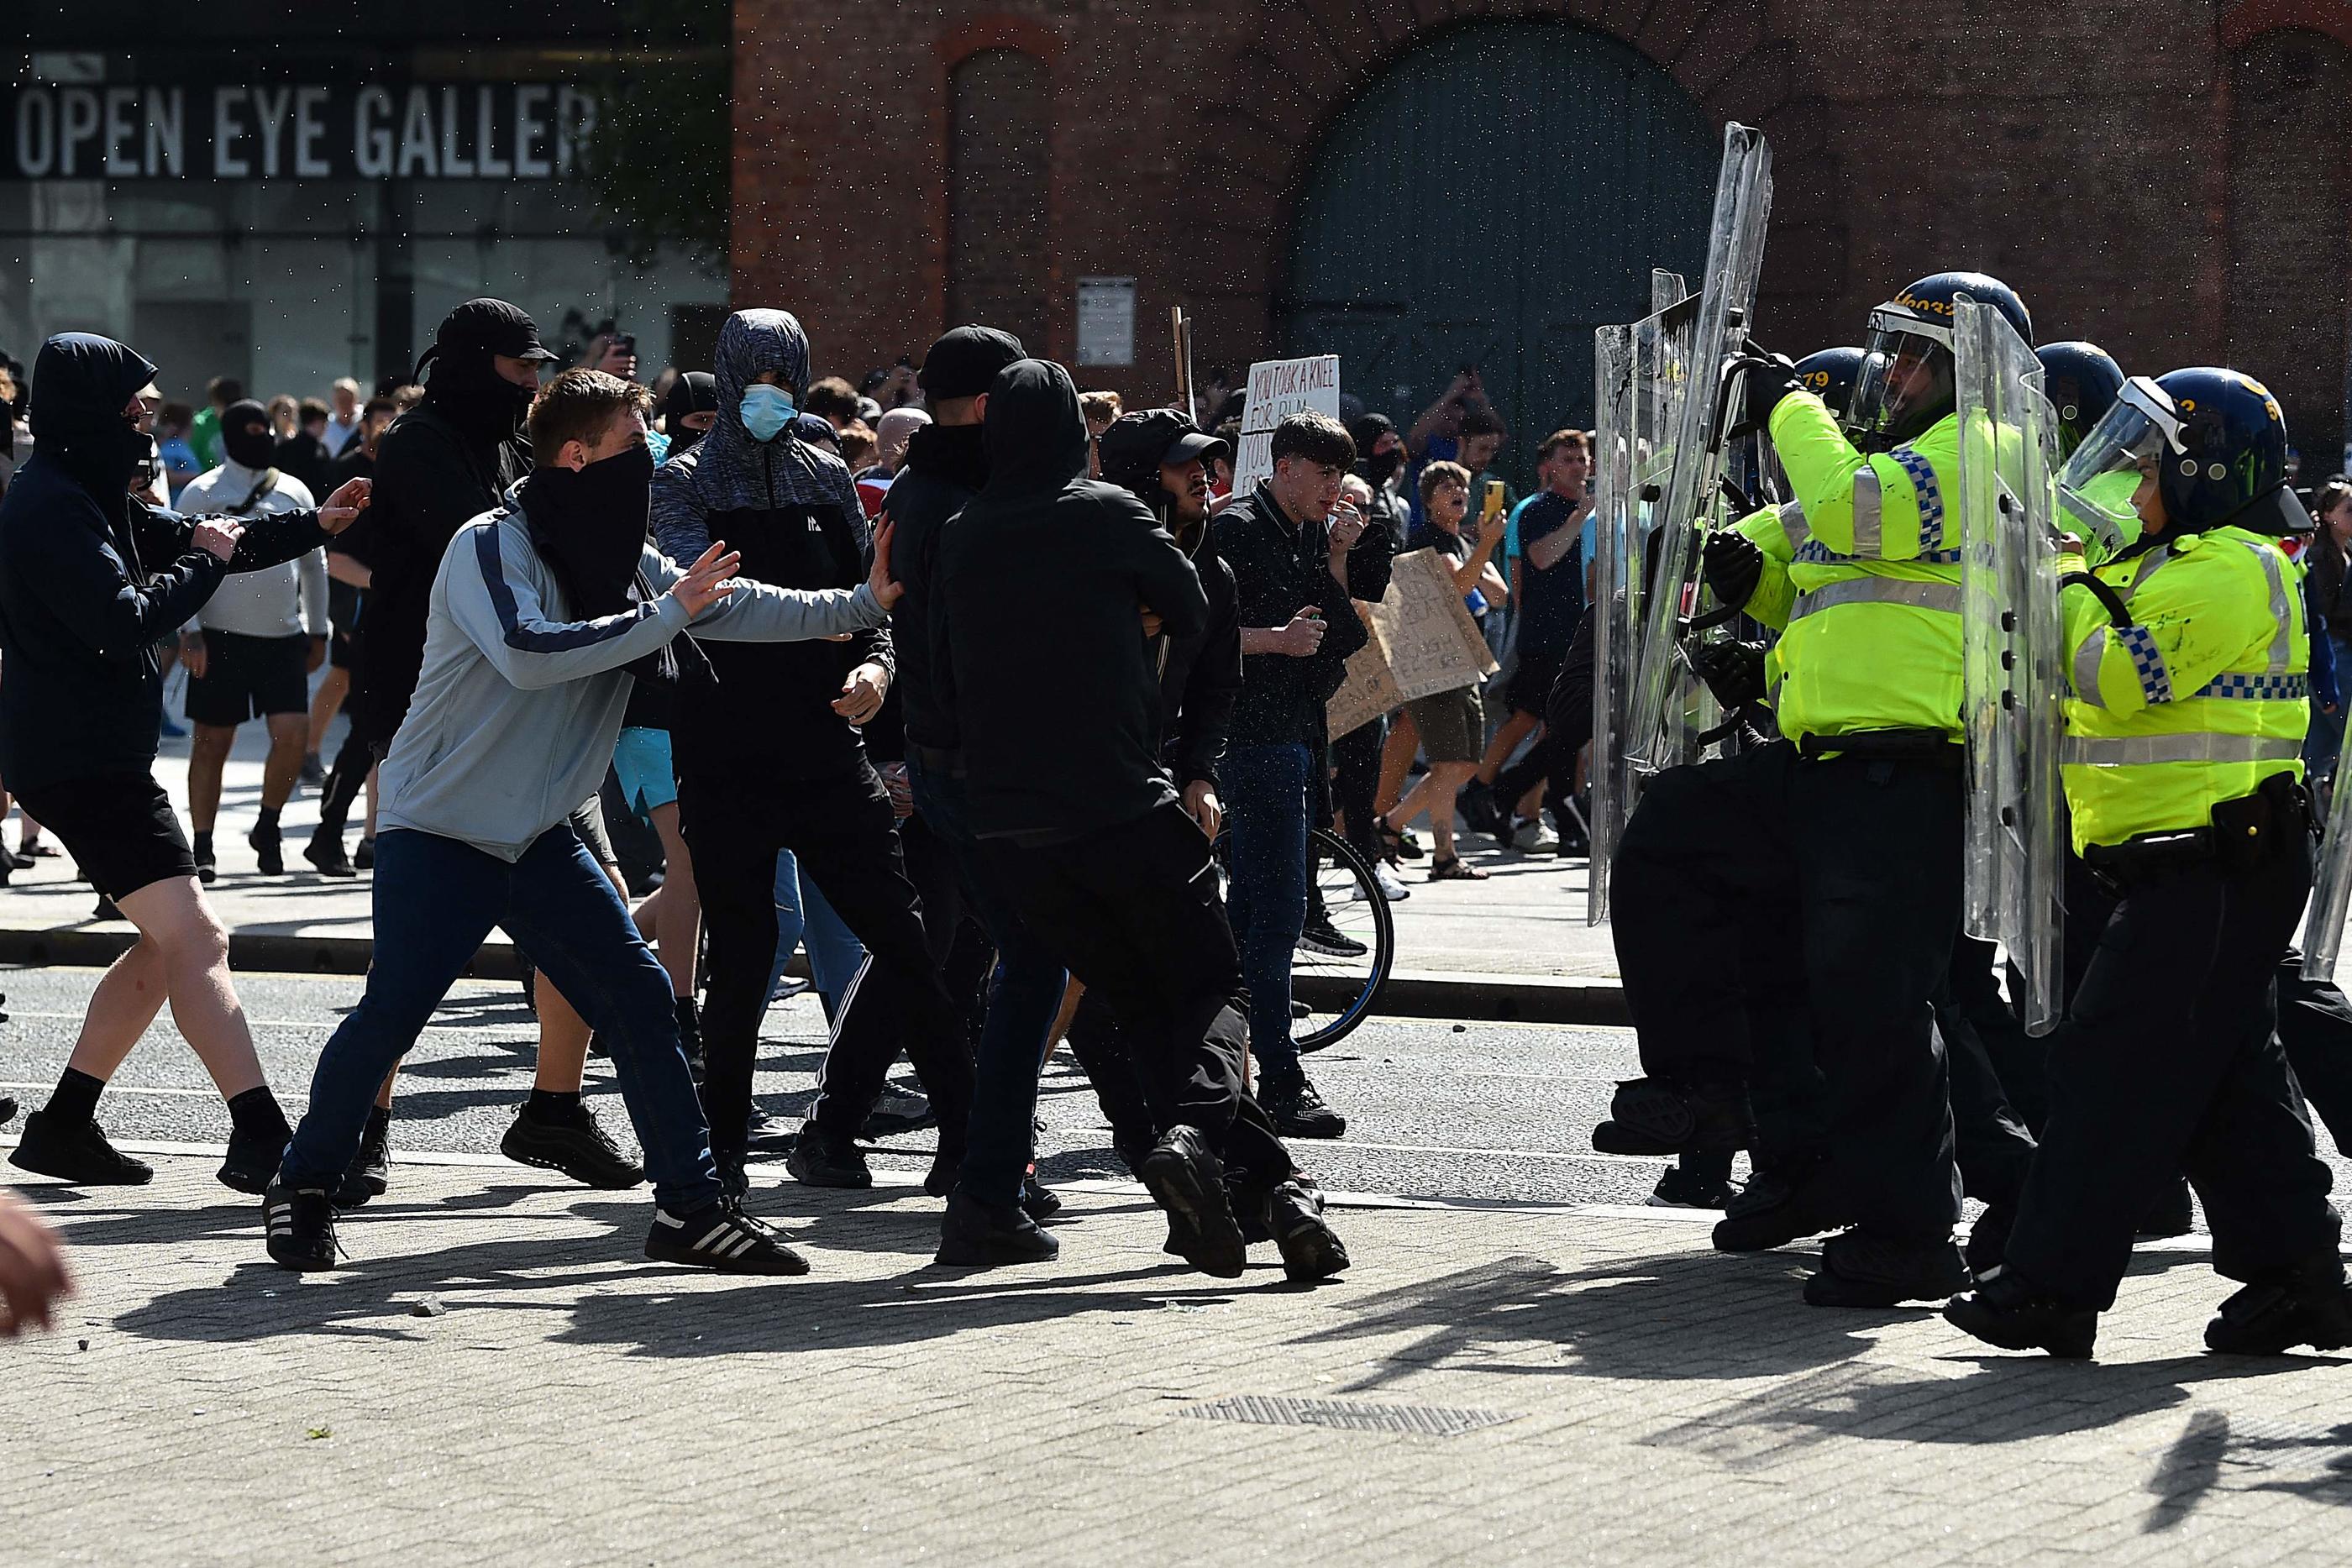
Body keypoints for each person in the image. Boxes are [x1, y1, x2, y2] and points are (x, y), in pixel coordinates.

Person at [263, 367, 896, 1276]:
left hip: (541, 833)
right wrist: (667, 616)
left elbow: (730, 604)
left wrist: (861, 604)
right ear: (575, 455)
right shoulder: (488, 543)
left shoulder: (620, 555)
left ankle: (690, 1208)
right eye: (637, 448)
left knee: (640, 1000)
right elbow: (529, 655)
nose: (654, 463)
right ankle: (305, 1183)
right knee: (394, 1013)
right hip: (441, 829)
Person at [1946, 368, 2352, 1357]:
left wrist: (2064, 589)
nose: (2129, 492)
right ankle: (2300, 1276)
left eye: (2146, 471)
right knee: (2222, 1080)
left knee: (2108, 1070)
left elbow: (2116, 679)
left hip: (2215, 862)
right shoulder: (2170, 562)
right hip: (2182, 865)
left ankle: (2047, 1285)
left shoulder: (2230, 566)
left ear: (2205, 471)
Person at [936, 357, 1347, 1282]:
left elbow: (942, 680)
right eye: (1183, 468)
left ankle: (1263, 1192)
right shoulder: (1108, 519)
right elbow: (1190, 610)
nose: (1203, 482)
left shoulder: (967, 532)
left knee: (1143, 1018)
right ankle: (1229, 1162)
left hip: (1017, 826)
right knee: (1214, 988)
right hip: (1118, 806)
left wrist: (1197, 767)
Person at [0, 333, 368, 1193]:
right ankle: (263, 1138)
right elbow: (128, 615)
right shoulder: (50, 505)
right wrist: (203, 560)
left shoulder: (87, 491)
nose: (146, 420)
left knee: (171, 945)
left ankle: (64, 1125)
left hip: (92, 755)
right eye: (133, 405)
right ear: (93, 410)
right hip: (79, 760)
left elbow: (212, 538)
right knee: (198, 936)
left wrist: (317, 523)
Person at [653, 309, 976, 1198]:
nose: (767, 397)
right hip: (724, 750)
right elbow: (711, 602)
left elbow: (885, 603)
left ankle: (974, 1150)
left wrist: (875, 667)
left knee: (907, 944)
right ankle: (717, 1160)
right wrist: (856, 620)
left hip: (828, 746)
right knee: (745, 956)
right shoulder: (679, 483)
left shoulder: (826, 469)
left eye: (782, 378)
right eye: (751, 377)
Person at [328, 298, 638, 1202]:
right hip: (437, 712)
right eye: (520, 367)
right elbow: (509, 540)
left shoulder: (510, 441)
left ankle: (553, 1105)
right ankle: (363, 1126)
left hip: (533, 712)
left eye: (543, 369)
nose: (532, 383)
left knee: (605, 906)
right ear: (472, 363)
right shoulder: (421, 443)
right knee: (410, 950)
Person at [878, 325, 1072, 1263]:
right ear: (995, 407)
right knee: (1031, 964)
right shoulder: (962, 501)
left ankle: (990, 1168)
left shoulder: (927, 486)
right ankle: (989, 1179)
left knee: (995, 959)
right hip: (985, 767)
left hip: (951, 756)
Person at [1215, 410, 1378, 1137]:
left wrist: (1338, 554)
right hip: (1248, 738)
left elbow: (1343, 629)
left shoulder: (1311, 531)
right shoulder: (1235, 529)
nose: (1333, 489)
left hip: (1299, 734)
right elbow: (1196, 634)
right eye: (1323, 474)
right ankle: (1278, 1076)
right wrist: (1275, 642)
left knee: (1252, 911)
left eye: (1340, 475)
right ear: (1284, 467)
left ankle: (1228, 1069)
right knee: (1277, 910)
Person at [174, 398, 328, 880]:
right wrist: (189, 630)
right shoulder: (201, 492)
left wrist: (319, 628)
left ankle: (268, 823)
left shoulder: (295, 490)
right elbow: (181, 566)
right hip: (219, 638)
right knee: (212, 743)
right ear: (231, 434)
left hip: (283, 637)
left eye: (266, 428)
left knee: (292, 736)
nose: (261, 436)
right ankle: (202, 844)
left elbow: (314, 566)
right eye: (251, 429)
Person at [1379, 460, 1505, 880]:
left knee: (1464, 763)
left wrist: (1480, 551)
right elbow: (1457, 590)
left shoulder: (1461, 543)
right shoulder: (1426, 541)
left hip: (1462, 663)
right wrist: (1485, 549)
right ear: (1429, 499)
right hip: (1432, 664)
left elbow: (1500, 594)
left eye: (1464, 488)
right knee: (1450, 762)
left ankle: (1394, 824)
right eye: (1448, 487)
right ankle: (1443, 854)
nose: (1460, 494)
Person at [1466, 429, 1590, 851]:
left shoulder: (1589, 510)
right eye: (1569, 459)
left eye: (1583, 458)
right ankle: (1486, 791)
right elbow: (1534, 561)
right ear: (1547, 467)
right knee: (1529, 718)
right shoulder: (1536, 509)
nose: (1579, 466)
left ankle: (1531, 808)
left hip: (1579, 636)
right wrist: (1577, 519)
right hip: (1545, 637)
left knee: (1559, 728)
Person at [188, 375, 239, 470]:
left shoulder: (242, 421)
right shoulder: (200, 424)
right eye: (225, 405)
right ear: (214, 402)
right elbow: (192, 460)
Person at [323, 377, 364, 457]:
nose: (345, 403)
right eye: (341, 400)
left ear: (356, 399)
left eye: (348, 399)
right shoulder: (327, 424)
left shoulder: (365, 419)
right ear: (334, 400)